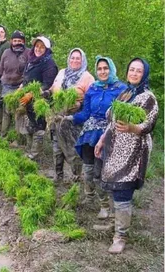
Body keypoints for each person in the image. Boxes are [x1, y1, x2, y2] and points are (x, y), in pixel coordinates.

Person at [94, 57, 159, 254]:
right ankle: (114, 224)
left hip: (133, 153)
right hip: (115, 150)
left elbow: (149, 124)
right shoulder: (124, 93)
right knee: (113, 188)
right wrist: (102, 140)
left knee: (123, 192)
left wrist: (132, 127)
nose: (134, 73)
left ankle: (120, 237)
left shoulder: (148, 97)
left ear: (144, 74)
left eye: (139, 71)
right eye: (132, 69)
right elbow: (111, 121)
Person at [64, 56, 127, 221]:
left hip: (107, 134)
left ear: (111, 69)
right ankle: (93, 198)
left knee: (101, 172)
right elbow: (86, 113)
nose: (102, 71)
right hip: (88, 134)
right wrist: (70, 118)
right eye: (99, 69)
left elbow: (121, 116)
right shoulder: (93, 88)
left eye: (105, 68)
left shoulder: (121, 89)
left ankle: (106, 207)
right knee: (88, 170)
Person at [49, 48, 95, 183]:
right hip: (57, 114)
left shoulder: (88, 77)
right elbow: (53, 88)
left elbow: (91, 100)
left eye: (78, 58)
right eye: (72, 58)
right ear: (69, 59)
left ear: (83, 60)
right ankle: (59, 175)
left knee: (72, 147)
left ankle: (76, 176)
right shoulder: (62, 72)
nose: (74, 60)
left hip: (74, 119)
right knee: (56, 146)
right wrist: (45, 93)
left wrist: (80, 105)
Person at [19, 36, 58, 159]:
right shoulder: (31, 60)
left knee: (39, 125)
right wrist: (21, 87)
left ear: (47, 49)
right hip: (27, 100)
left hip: (40, 101)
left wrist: (31, 93)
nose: (38, 49)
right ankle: (29, 150)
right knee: (30, 124)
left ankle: (35, 155)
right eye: (37, 46)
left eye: (42, 47)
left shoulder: (49, 64)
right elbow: (26, 77)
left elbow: (48, 84)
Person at [0, 30, 30, 136]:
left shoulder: (28, 53)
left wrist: (24, 85)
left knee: (19, 112)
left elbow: (30, 71)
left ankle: (17, 136)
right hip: (7, 85)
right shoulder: (6, 52)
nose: (17, 42)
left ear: (23, 42)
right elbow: (0, 69)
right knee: (7, 110)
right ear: (11, 41)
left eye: (19, 40)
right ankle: (3, 133)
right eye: (15, 40)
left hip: (20, 86)